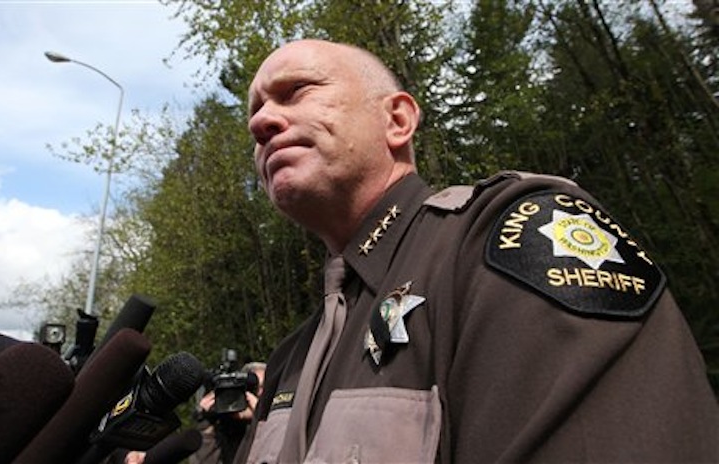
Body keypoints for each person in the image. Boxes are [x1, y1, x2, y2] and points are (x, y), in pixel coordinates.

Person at [234, 39, 719, 463]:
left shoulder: (510, 238)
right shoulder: (290, 360)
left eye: (296, 91)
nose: (260, 122)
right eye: (255, 110)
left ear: (397, 120)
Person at [124, 362, 265, 464]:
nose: (259, 392)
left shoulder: (271, 422)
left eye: (263, 386)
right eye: (253, 388)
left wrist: (260, 417)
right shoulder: (221, 425)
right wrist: (206, 421)